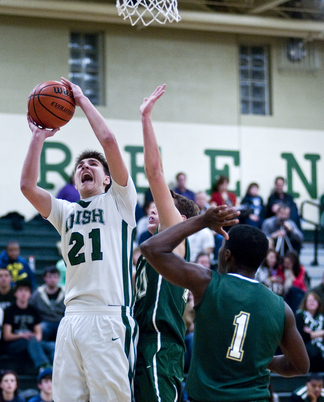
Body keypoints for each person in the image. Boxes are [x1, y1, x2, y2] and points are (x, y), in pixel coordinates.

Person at [20, 77, 137, 402]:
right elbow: (28, 187)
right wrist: (38, 138)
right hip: (71, 319)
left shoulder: (120, 202)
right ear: (75, 181)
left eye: (93, 164)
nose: (86, 166)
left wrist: (83, 100)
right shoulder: (65, 211)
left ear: (107, 178)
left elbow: (109, 141)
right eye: (80, 166)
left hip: (108, 314)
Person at [139, 206, 310, 402]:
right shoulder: (282, 308)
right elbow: (300, 366)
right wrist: (265, 361)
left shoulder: (207, 283)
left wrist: (203, 220)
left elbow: (151, 248)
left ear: (227, 255)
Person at [133, 84, 199, 402]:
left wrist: (145, 118)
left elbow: (155, 172)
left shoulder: (175, 242)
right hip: (138, 342)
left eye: (163, 206)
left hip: (160, 345)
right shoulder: (146, 252)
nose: (153, 207)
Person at [2, 279, 54, 371]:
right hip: (14, 344)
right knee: (31, 340)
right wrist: (21, 335)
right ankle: (44, 366)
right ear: (15, 293)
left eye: (26, 290)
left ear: (30, 294)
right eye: (21, 290)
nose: (23, 293)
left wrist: (34, 340)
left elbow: (38, 334)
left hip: (31, 342)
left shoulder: (33, 310)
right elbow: (6, 336)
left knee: (53, 346)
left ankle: (58, 371)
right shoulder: (9, 310)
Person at [29, 266, 65, 341]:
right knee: (41, 329)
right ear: (44, 278)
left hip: (61, 322)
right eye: (49, 277)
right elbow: (31, 309)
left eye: (55, 277)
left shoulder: (65, 293)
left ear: (59, 278)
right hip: (44, 322)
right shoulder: (38, 294)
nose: (52, 280)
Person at [295, 291, 324, 372]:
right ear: (305, 303)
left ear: (318, 303)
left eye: (314, 300)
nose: (312, 303)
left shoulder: (322, 317)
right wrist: (321, 332)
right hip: (305, 350)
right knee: (313, 352)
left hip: (320, 351)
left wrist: (312, 333)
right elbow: (303, 336)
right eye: (310, 300)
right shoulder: (299, 316)